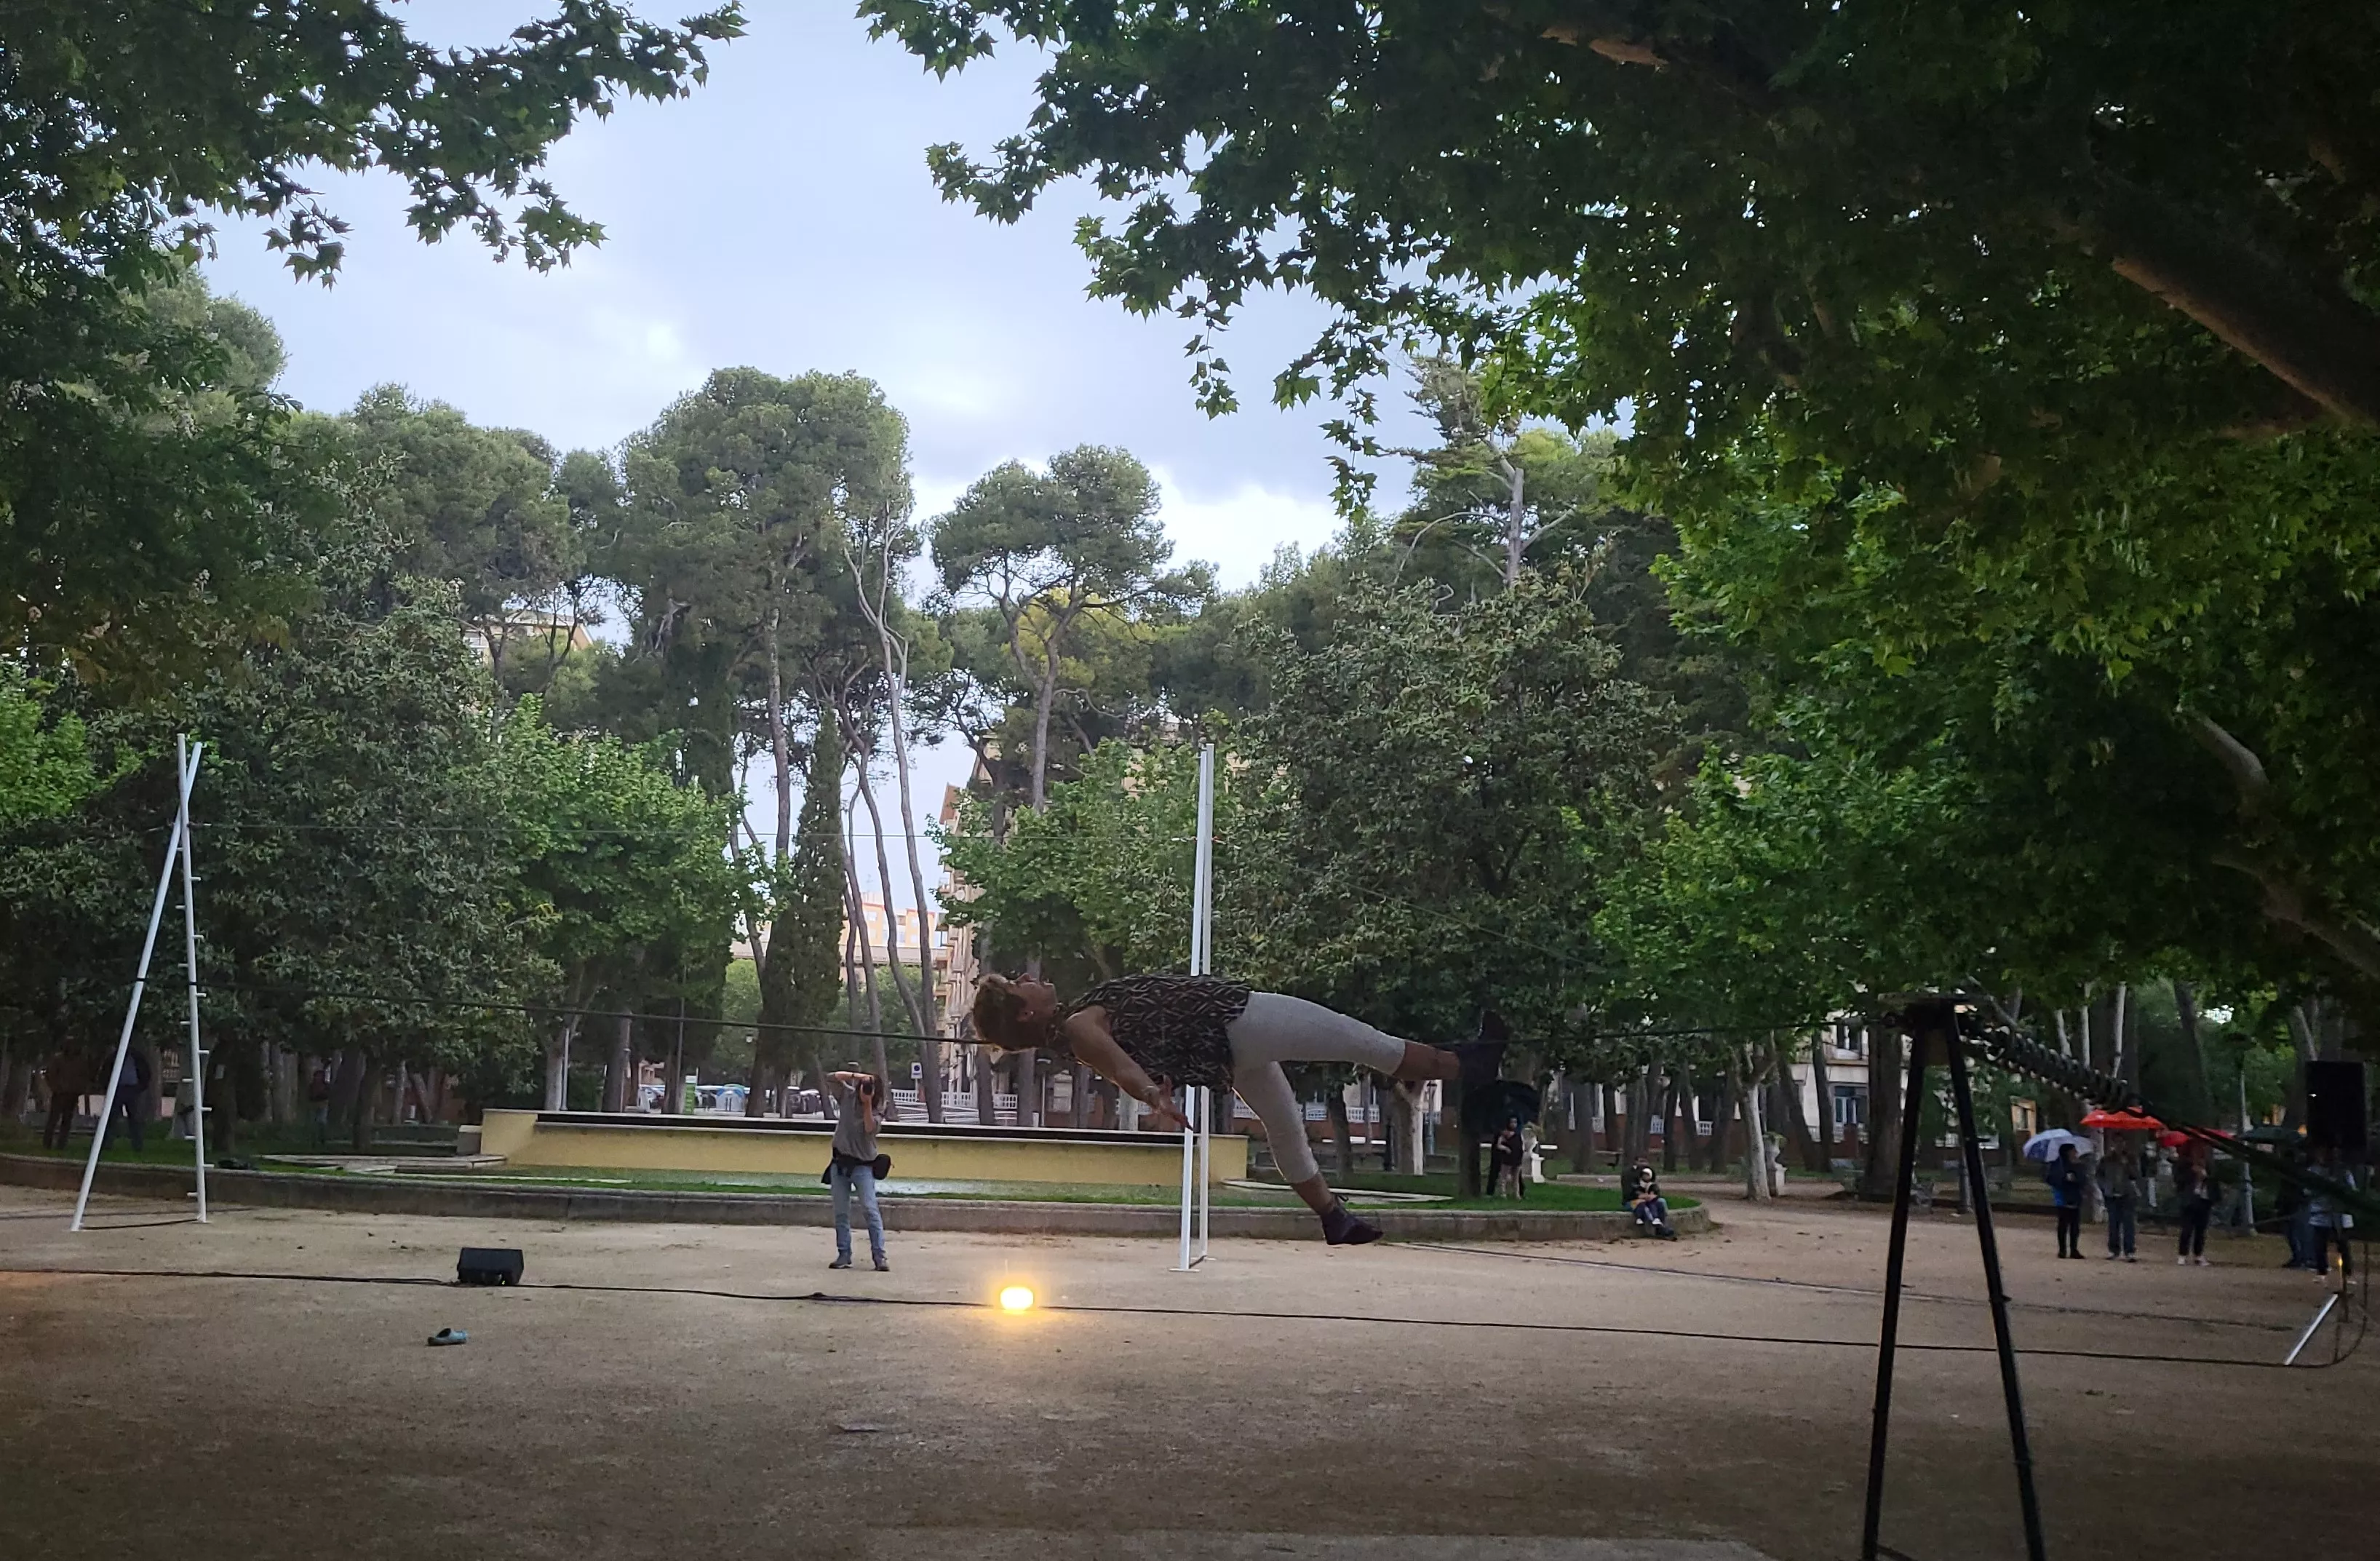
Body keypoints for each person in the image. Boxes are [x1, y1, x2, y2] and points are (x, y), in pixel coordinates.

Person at [970, 972, 1462, 1245]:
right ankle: (1465, 1065)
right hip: (1235, 1020)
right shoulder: (1078, 1028)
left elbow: (1122, 1061)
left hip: (1225, 1049)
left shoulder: (1074, 1031)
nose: (1030, 976)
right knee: (1363, 1041)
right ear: (1025, 1011)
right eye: (1020, 983)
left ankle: (1333, 1216)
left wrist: (1149, 1088)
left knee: (1284, 1124)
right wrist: (1151, 1094)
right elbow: (1124, 1068)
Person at [824, 1069, 891, 1272]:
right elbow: (830, 1078)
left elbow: (870, 1129)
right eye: (864, 1084)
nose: (865, 1088)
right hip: (840, 1164)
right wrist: (856, 1076)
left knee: (870, 1210)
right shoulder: (847, 1095)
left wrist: (867, 1103)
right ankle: (844, 1254)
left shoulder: (879, 1106)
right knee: (841, 1212)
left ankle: (879, 1256)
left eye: (870, 1085)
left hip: (863, 1166)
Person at [2306, 1148, 2357, 1288]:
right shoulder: (2313, 1171)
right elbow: (2307, 1190)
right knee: (2319, 1246)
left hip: (2340, 1215)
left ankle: (2348, 1273)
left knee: (2343, 1246)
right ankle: (2321, 1272)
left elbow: (2352, 1191)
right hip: (2320, 1214)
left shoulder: (2343, 1172)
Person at [102, 1046, 153, 1153]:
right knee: (112, 1118)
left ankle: (137, 1145)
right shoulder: (113, 1057)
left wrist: (141, 1086)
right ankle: (107, 1144)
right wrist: (107, 1086)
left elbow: (145, 1071)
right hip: (117, 1089)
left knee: (135, 1119)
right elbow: (105, 1072)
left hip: (133, 1090)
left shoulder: (137, 1057)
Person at [2098, 1143, 2142, 1261]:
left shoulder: (2131, 1159)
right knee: (2113, 1224)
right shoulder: (2106, 1159)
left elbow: (2136, 1175)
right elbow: (2099, 1175)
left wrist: (2127, 1165)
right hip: (2112, 1195)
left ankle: (2130, 1250)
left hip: (2127, 1195)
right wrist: (2104, 1187)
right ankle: (2114, 1249)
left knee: (2128, 1224)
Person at [2044, 1142, 2087, 1259]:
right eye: (2074, 1151)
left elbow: (2084, 1181)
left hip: (2075, 1197)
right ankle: (2062, 1249)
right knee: (2063, 1224)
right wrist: (2064, 1178)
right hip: (2062, 1197)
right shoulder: (2058, 1165)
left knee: (2075, 1225)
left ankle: (2074, 1249)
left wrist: (2077, 1177)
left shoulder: (2079, 1165)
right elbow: (2050, 1179)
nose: (2076, 1153)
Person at [2174, 1143, 2214, 1267]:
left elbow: (2214, 1180)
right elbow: (2178, 1181)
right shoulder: (2183, 1165)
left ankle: (2198, 1254)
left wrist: (2205, 1176)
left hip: (2204, 1198)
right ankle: (2182, 1254)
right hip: (2189, 1200)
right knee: (2187, 1229)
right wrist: (2192, 1173)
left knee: (2201, 1230)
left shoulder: (2209, 1165)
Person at [1625, 1159, 1676, 1239]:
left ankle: (1662, 1224)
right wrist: (1644, 1197)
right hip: (1634, 1201)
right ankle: (1660, 1228)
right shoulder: (1630, 1176)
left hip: (1648, 1199)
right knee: (1644, 1206)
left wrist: (1653, 1196)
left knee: (1661, 1202)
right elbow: (1631, 1194)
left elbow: (1654, 1190)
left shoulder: (1650, 1178)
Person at [1489, 1119, 1527, 1199]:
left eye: (1515, 1122)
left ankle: (1516, 1194)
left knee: (1516, 1178)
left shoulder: (1519, 1134)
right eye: (1512, 1122)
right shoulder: (1505, 1134)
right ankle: (1503, 1193)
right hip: (1507, 1159)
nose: (1513, 1124)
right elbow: (1499, 1145)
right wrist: (1506, 1149)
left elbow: (1522, 1146)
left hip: (1517, 1159)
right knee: (1504, 1177)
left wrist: (1522, 1154)